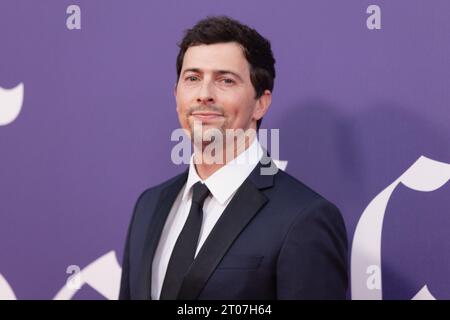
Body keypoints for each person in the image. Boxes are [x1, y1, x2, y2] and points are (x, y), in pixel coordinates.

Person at [119, 16, 348, 300]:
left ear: (260, 104)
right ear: (176, 94)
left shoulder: (304, 217)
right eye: (192, 78)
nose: (204, 95)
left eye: (225, 80)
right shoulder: (149, 204)